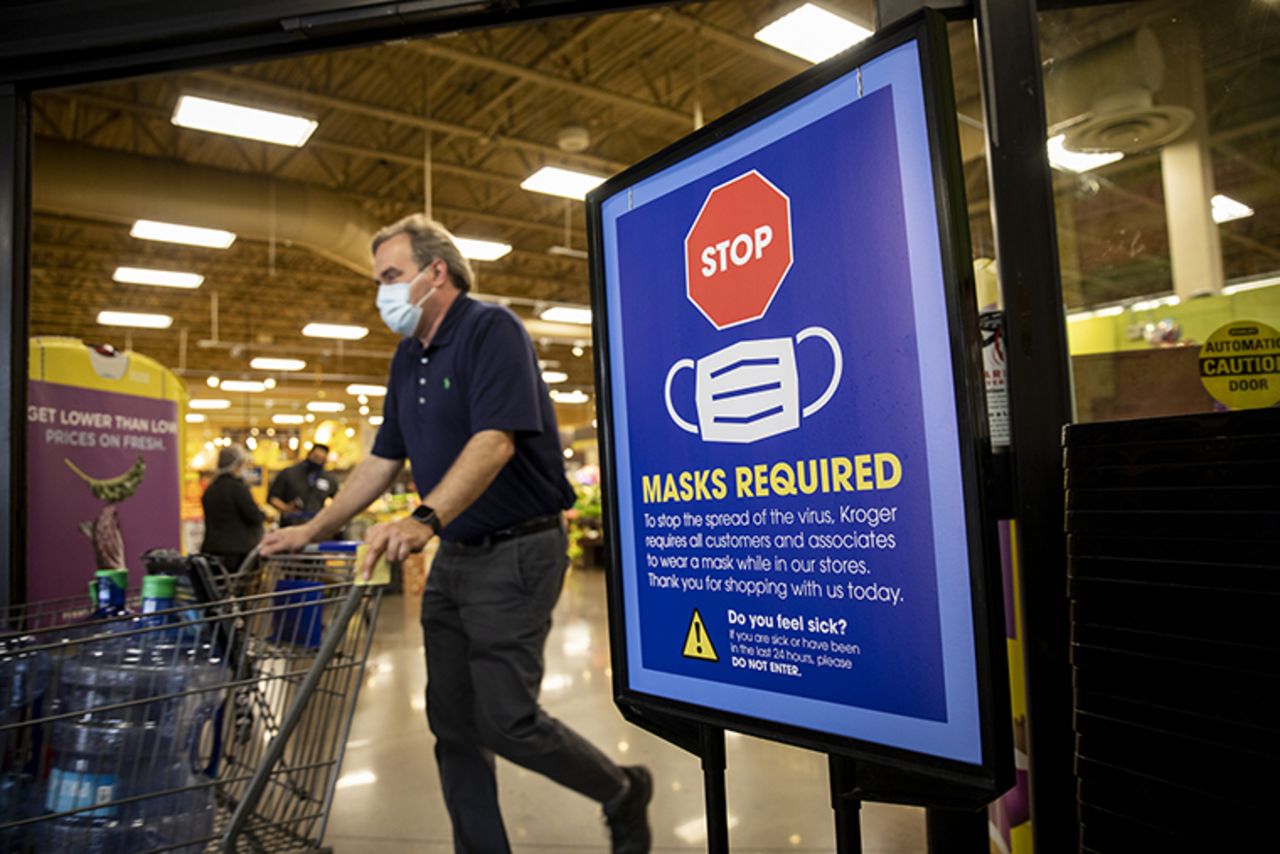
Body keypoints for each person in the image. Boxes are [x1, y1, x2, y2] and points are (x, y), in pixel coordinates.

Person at [261, 215, 651, 853]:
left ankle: (622, 790)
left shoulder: (489, 330)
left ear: (434, 272)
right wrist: (312, 528)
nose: (381, 292)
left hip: (520, 549)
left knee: (506, 720)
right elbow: (382, 459)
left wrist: (421, 519)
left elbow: (494, 441)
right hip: (457, 555)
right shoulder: (406, 355)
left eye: (391, 276)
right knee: (451, 725)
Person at [200, 444, 265, 574]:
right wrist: (264, 514)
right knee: (237, 590)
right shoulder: (237, 488)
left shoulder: (210, 489)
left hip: (211, 549)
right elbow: (253, 516)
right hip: (237, 552)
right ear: (237, 466)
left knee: (218, 588)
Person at [267, 443, 339, 527]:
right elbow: (272, 497)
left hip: (317, 525)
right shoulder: (289, 473)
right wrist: (286, 508)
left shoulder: (328, 478)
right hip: (291, 525)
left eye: (321, 459)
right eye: (316, 457)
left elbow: (338, 499)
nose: (318, 461)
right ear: (309, 454)